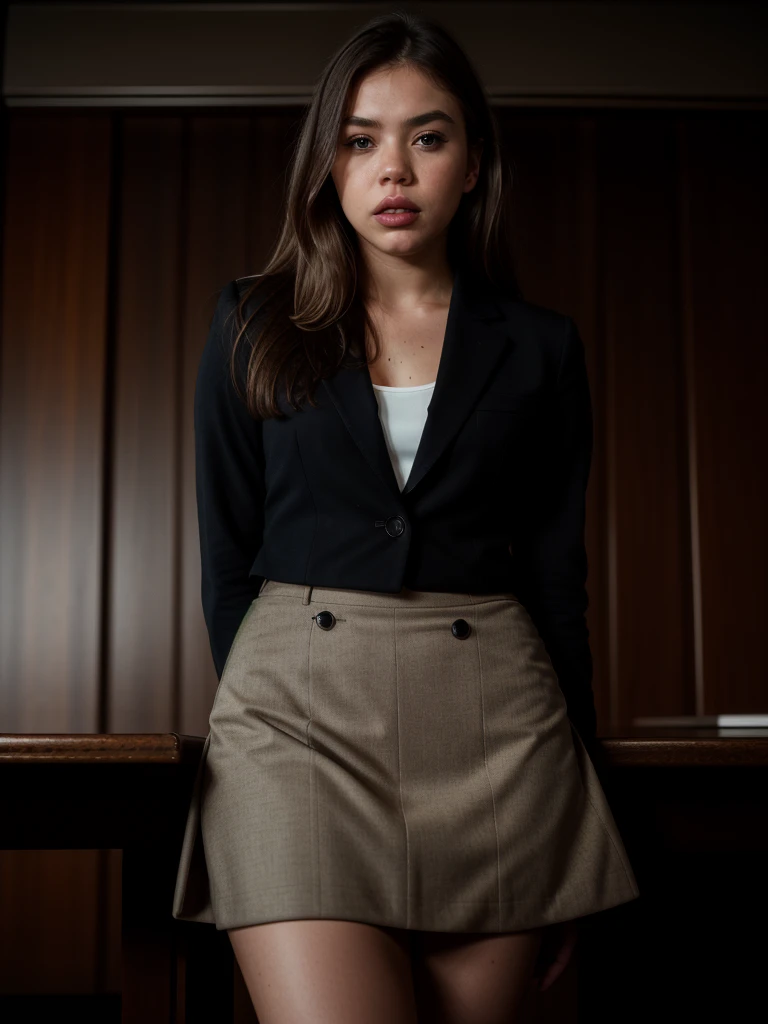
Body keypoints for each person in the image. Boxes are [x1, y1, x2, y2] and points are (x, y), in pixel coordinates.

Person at [172, 10, 640, 1023]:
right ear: (328, 166)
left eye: (428, 137)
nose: (395, 169)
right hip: (294, 724)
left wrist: (579, 806)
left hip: (498, 736)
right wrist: (271, 689)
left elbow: (561, 583)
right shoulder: (253, 322)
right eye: (361, 139)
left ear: (471, 164)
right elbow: (227, 561)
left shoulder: (543, 349)